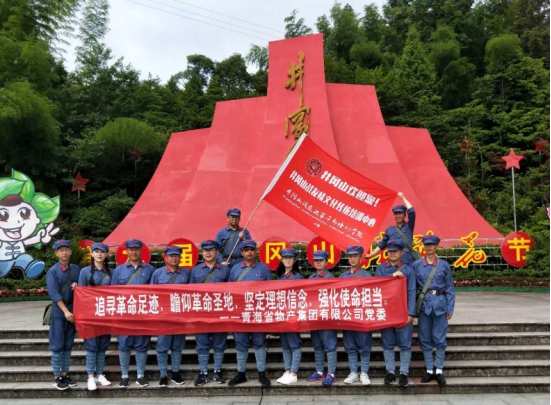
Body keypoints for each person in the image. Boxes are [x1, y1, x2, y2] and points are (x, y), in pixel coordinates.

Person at [227, 239, 272, 388]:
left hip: (258, 312)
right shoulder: (234, 269)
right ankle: (241, 374)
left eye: (251, 249)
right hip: (240, 312)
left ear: (255, 252)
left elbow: (271, 291)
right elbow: (229, 291)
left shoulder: (263, 269)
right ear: (242, 253)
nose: (249, 252)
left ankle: (262, 373)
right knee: (241, 343)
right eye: (246, 250)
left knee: (259, 343)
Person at [412, 234, 455, 387]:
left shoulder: (444, 265)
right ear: (423, 246)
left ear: (437, 246)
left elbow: (450, 288)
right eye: (427, 245)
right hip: (424, 306)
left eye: (432, 245)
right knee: (425, 338)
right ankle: (429, 370)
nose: (429, 247)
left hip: (440, 306)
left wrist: (450, 307)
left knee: (440, 338)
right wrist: (412, 309)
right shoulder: (417, 265)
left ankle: (439, 370)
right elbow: (412, 288)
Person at [111, 239, 155, 388]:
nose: (134, 252)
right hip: (125, 314)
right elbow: (112, 293)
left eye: (136, 249)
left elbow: (154, 292)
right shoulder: (118, 271)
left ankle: (140, 375)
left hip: (142, 313)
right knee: (124, 345)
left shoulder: (150, 269)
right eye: (131, 249)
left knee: (142, 345)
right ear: (127, 251)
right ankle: (124, 376)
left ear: (141, 251)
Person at [375, 239, 416, 387]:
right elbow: (377, 288)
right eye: (390, 251)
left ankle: (404, 373)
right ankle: (390, 371)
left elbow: (412, 292)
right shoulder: (380, 269)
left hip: (402, 312)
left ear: (401, 253)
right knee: (387, 343)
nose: (392, 254)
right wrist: (392, 278)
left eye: (395, 251)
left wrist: (411, 313)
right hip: (386, 312)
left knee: (405, 344)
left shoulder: (408, 270)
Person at [190, 240, 231, 386]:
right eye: (206, 250)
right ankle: (203, 372)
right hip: (201, 313)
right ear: (202, 252)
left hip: (220, 313)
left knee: (219, 344)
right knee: (202, 344)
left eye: (211, 250)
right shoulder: (195, 271)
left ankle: (217, 371)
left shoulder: (225, 270)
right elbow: (189, 293)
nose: (208, 253)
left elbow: (232, 292)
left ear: (217, 252)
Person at [151, 245, 190, 387]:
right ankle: (163, 375)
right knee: (162, 346)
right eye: (171, 255)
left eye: (176, 255)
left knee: (177, 346)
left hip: (180, 315)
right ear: (166, 257)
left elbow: (192, 293)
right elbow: (151, 294)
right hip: (163, 316)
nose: (174, 258)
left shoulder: (186, 273)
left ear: (180, 257)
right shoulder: (158, 273)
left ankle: (175, 373)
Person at [77, 242, 112, 391]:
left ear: (106, 254)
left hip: (106, 314)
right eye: (96, 251)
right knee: (92, 346)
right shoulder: (85, 272)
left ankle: (99, 374)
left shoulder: (111, 272)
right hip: (90, 314)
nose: (99, 254)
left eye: (102, 252)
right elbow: (81, 294)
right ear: (92, 254)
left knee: (103, 345)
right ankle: (90, 376)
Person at [46, 239, 80, 390]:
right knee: (57, 344)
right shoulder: (53, 271)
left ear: (70, 252)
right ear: (56, 253)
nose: (64, 252)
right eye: (61, 250)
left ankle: (65, 374)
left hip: (73, 309)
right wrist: (66, 311)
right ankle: (56, 376)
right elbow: (53, 293)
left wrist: (77, 285)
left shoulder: (76, 269)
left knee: (68, 344)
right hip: (60, 310)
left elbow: (82, 286)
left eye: (66, 249)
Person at [339, 245, 372, 386]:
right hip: (347, 316)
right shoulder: (342, 276)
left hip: (362, 316)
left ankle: (364, 372)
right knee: (350, 345)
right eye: (350, 256)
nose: (352, 259)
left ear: (360, 257)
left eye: (355, 256)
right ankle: (353, 372)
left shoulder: (367, 275)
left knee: (364, 345)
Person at [306, 250, 338, 387]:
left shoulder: (330, 278)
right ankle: (319, 371)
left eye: (321, 260)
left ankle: (331, 373)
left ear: (326, 262)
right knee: (317, 346)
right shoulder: (311, 278)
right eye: (316, 260)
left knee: (329, 346)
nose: (318, 262)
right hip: (314, 317)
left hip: (327, 317)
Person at [364, 192, 419, 265]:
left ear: (404, 215)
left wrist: (403, 198)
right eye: (396, 213)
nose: (398, 216)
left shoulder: (409, 226)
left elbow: (412, 212)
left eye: (400, 213)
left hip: (408, 261)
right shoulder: (390, 230)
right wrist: (371, 255)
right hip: (394, 262)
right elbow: (382, 245)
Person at [275, 247, 303, 385]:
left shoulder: (297, 277)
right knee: (285, 345)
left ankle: (293, 372)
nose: (287, 260)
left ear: (294, 260)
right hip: (282, 315)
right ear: (282, 260)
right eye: (285, 258)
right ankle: (287, 370)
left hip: (292, 315)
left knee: (294, 344)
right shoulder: (280, 277)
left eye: (290, 258)